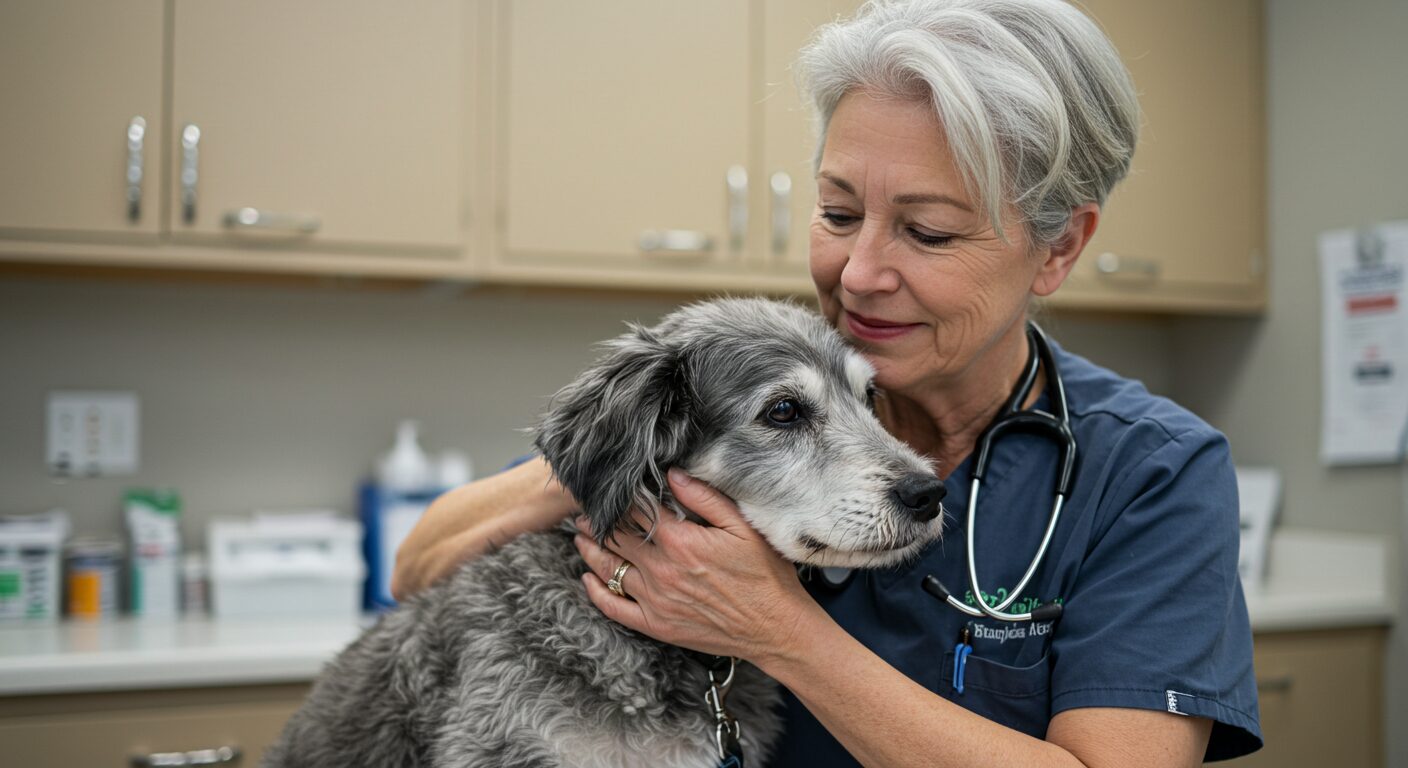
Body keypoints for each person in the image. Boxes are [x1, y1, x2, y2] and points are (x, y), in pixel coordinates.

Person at [392, 0, 1262, 764]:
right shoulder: (755, 388)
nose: (859, 274)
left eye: (926, 232)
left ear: (1059, 246)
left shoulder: (1152, 473)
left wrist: (780, 632)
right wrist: (623, 451)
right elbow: (420, 563)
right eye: (839, 214)